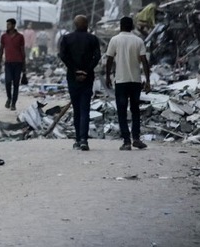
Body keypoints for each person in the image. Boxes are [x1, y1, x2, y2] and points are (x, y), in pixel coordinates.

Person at [105, 16, 152, 151]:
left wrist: (108, 76)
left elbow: (109, 59)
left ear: (120, 26)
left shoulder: (114, 40)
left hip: (120, 80)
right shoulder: (138, 41)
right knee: (135, 110)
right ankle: (136, 138)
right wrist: (148, 80)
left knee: (121, 111)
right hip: (135, 81)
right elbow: (144, 61)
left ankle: (126, 141)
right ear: (132, 27)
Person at [58, 15, 102, 151]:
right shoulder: (93, 39)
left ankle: (78, 139)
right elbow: (97, 56)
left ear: (75, 25)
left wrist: (75, 70)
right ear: (86, 25)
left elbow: (63, 56)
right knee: (85, 109)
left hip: (73, 78)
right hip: (87, 78)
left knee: (77, 109)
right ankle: (84, 139)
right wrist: (86, 71)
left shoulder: (66, 38)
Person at [0, 18, 25, 111]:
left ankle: (13, 103)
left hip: (18, 63)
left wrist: (24, 66)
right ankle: (9, 98)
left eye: (9, 24)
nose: (7, 26)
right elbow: (1, 49)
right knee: (8, 82)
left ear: (13, 25)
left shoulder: (20, 37)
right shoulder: (4, 36)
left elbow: (22, 51)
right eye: (7, 24)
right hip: (8, 62)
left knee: (16, 84)